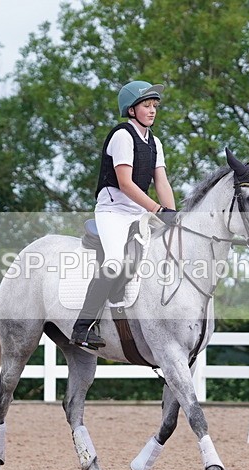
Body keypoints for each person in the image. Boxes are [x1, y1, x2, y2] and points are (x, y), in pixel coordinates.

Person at [70, 80, 178, 349]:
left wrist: (173, 214)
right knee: (116, 262)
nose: (152, 111)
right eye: (146, 105)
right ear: (131, 110)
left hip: (137, 212)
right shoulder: (122, 136)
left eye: (155, 106)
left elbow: (161, 182)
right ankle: (82, 327)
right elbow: (126, 184)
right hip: (113, 211)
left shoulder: (154, 142)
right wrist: (157, 210)